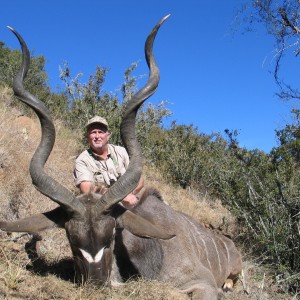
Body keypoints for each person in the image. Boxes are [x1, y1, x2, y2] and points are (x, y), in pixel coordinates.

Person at [73, 116, 144, 209]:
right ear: (88, 136)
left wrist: (130, 194)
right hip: (101, 207)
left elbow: (139, 178)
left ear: (108, 136)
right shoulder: (82, 160)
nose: (97, 136)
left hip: (129, 200)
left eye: (100, 132)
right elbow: (86, 189)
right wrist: (121, 197)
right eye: (93, 132)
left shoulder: (121, 152)